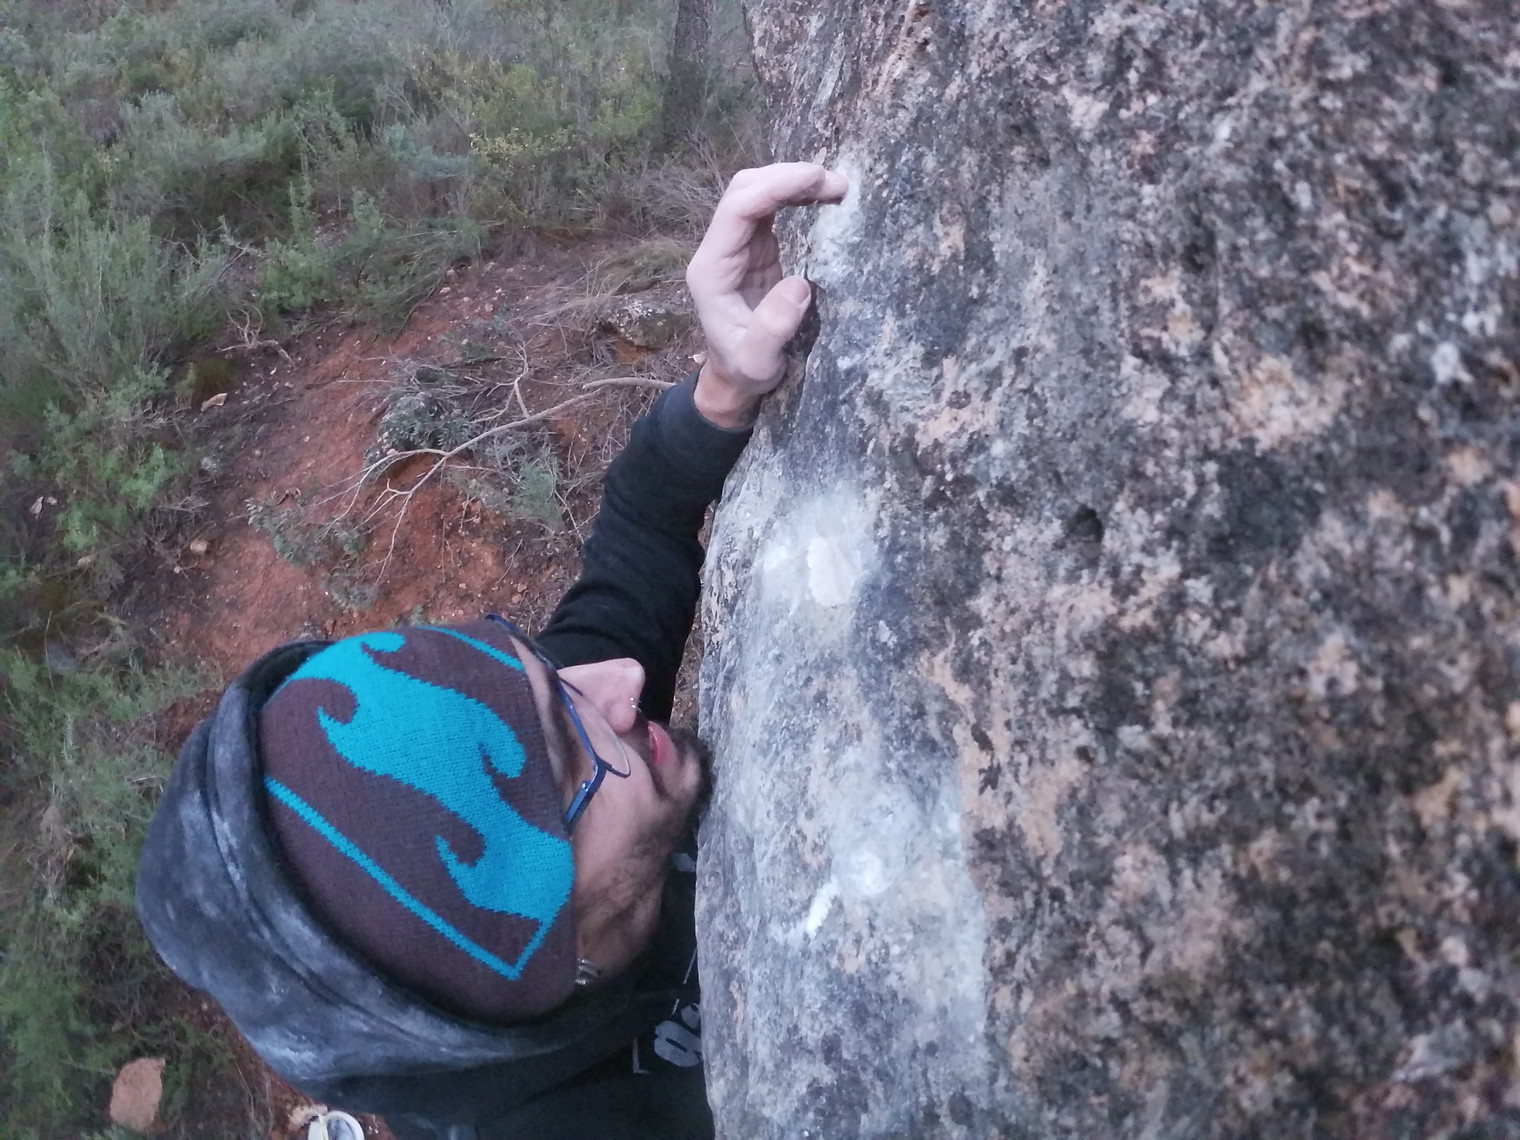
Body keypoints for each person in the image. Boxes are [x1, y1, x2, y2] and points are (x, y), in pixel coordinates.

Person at [135, 162, 849, 1140]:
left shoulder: (557, 742)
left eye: (537, 677)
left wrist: (725, 381)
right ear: (546, 957)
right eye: (566, 761)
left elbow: (637, 535)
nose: (620, 680)